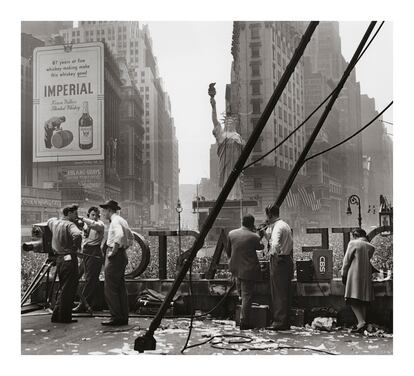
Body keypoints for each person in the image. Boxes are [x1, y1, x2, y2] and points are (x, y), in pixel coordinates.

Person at [226, 214, 264, 330]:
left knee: (241, 293)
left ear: (242, 222)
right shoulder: (254, 236)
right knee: (247, 295)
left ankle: (240, 315)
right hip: (248, 270)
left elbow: (228, 251)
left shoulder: (231, 234)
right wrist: (260, 236)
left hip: (235, 268)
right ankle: (244, 321)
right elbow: (260, 247)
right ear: (252, 224)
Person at [99, 199, 133, 326]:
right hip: (121, 255)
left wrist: (113, 251)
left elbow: (118, 236)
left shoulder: (115, 221)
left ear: (109, 210)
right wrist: (124, 248)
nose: (103, 213)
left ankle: (116, 317)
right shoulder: (122, 220)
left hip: (114, 257)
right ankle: (123, 316)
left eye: (104, 210)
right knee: (120, 288)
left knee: (110, 288)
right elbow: (131, 237)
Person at [47, 204, 82, 323]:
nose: (77, 216)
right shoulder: (70, 224)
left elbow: (49, 221)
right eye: (75, 213)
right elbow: (77, 234)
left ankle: (57, 315)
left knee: (63, 287)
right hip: (69, 258)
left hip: (59, 259)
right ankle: (65, 317)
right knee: (69, 289)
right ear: (69, 213)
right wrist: (75, 247)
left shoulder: (54, 223)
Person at [209, 83, 245, 199]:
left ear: (235, 123)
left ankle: (236, 197)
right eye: (227, 121)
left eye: (231, 121)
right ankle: (225, 197)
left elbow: (243, 153)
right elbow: (214, 120)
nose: (229, 122)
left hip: (235, 165)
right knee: (225, 180)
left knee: (235, 181)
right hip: (223, 165)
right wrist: (213, 103)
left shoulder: (237, 136)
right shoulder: (221, 134)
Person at [264, 205, 293, 330]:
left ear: (270, 215)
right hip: (287, 260)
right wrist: (265, 235)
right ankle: (284, 321)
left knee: (278, 292)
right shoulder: (284, 225)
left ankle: (279, 322)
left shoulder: (277, 227)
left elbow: (275, 245)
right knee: (284, 291)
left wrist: (270, 256)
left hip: (279, 261)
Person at [341, 228, 375, 333]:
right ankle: (362, 324)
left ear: (355, 235)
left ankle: (361, 322)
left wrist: (343, 274)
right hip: (366, 275)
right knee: (363, 300)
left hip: (354, 275)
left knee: (352, 299)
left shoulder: (353, 243)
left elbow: (346, 261)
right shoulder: (370, 247)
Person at [73, 206, 105, 313]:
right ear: (89, 215)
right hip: (86, 252)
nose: (95, 217)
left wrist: (82, 219)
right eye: (92, 215)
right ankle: (97, 304)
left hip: (94, 253)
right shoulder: (85, 226)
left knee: (90, 279)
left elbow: (94, 224)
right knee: (91, 279)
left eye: (97, 215)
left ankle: (83, 305)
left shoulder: (100, 225)